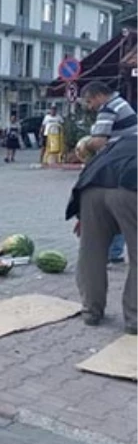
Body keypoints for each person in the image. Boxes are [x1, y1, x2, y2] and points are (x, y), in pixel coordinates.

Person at [65, 131, 138, 333]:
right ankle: (135, 319)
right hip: (131, 189)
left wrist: (82, 215)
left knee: (91, 252)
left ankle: (91, 311)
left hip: (92, 190)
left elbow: (91, 167)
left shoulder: (123, 140)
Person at [81, 81, 138, 263]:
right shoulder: (120, 102)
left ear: (98, 96)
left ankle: (110, 252)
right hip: (130, 159)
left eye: (90, 102)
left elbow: (99, 142)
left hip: (121, 164)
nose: (90, 107)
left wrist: (83, 144)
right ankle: (114, 251)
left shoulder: (108, 108)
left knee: (111, 207)